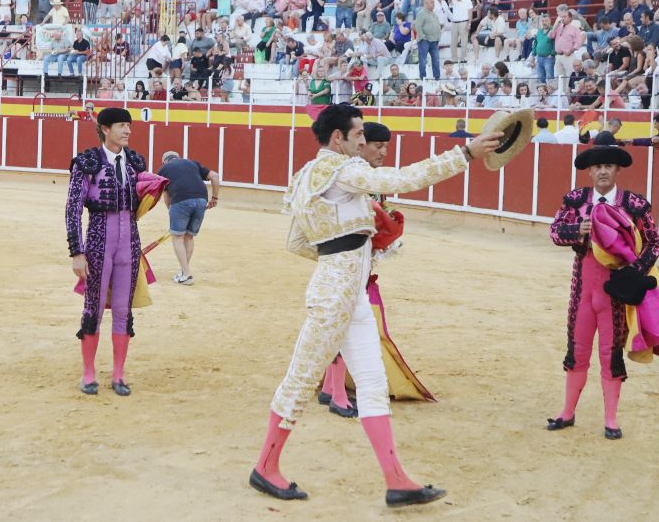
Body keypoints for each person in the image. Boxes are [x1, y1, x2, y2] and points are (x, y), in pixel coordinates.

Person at [250, 104, 502, 507]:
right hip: (337, 295)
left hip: (346, 290)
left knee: (372, 383)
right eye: (359, 137)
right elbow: (401, 177)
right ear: (339, 139)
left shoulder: (305, 177)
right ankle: (265, 467)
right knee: (300, 380)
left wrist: (352, 254)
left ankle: (397, 479)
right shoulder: (342, 168)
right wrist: (465, 153)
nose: (364, 144)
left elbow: (296, 243)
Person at [547, 132, 659, 440]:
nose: (603, 171)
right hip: (582, 290)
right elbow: (554, 232)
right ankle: (567, 413)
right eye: (598, 167)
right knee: (577, 350)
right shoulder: (575, 200)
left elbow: (654, 243)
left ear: (617, 170)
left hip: (615, 293)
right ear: (589, 171)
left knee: (610, 353)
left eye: (609, 165)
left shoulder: (634, 204)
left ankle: (611, 419)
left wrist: (634, 271)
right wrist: (576, 231)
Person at [318, 122, 437, 419]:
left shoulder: (365, 179)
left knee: (341, 326)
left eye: (386, 146)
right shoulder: (352, 178)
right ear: (361, 145)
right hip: (346, 266)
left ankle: (332, 388)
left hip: (356, 265)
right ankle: (338, 395)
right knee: (348, 325)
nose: (383, 152)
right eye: (377, 146)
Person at [65, 108, 150, 397]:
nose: (127, 131)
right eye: (121, 126)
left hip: (130, 242)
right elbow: (73, 209)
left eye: (129, 126)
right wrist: (77, 251)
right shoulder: (87, 162)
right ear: (105, 129)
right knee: (94, 307)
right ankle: (89, 373)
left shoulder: (135, 162)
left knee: (124, 310)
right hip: (99, 241)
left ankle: (118, 375)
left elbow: (144, 199)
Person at [157, 150, 221, 285]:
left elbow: (167, 197)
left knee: (178, 237)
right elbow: (215, 176)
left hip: (180, 200)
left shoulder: (164, 169)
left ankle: (186, 274)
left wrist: (171, 211)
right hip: (201, 200)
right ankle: (184, 272)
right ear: (179, 158)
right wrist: (214, 198)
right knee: (189, 236)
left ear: (164, 161)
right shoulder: (192, 163)